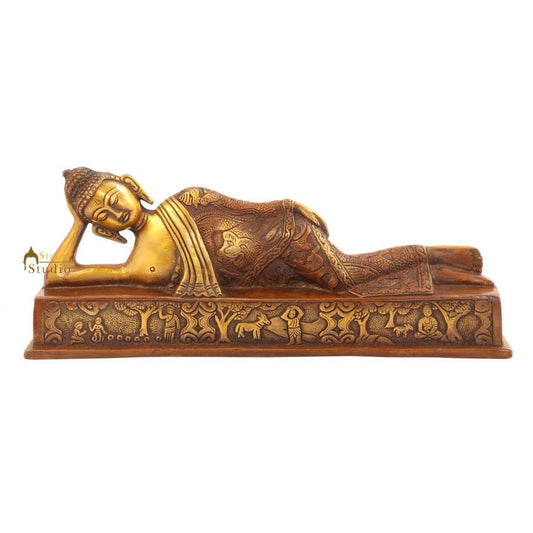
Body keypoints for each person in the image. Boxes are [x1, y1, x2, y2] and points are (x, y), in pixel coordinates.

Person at [45, 167, 492, 297]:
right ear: (100, 229)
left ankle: (438, 262)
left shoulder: (186, 199)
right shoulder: (136, 266)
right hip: (268, 274)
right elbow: (58, 275)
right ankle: (441, 271)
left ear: (130, 184)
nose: (114, 209)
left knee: (350, 277)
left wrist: (289, 206)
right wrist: (77, 222)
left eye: (112, 195)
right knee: (349, 277)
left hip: (286, 238)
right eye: (100, 215)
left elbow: (245, 207)